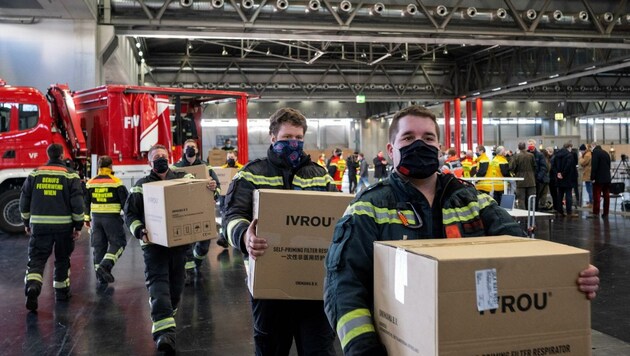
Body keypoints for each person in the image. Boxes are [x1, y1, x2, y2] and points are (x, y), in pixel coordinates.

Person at [322, 105, 600, 355]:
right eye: (408, 138)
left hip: (473, 339)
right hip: (398, 345)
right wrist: (363, 348)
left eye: (428, 138)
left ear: (439, 147)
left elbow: (523, 258)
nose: (420, 144)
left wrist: (568, 276)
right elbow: (343, 285)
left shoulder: (473, 201)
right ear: (391, 149)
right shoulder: (368, 207)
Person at [222, 107, 337, 356]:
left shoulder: (321, 176)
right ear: (273, 138)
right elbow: (231, 217)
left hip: (314, 284)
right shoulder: (251, 174)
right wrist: (245, 237)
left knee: (320, 349)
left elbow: (336, 218)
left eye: (298, 138)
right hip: (269, 285)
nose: (293, 144)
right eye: (287, 138)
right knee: (270, 348)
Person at [124, 144, 218, 352]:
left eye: (163, 156)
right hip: (153, 246)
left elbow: (202, 193)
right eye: (156, 157)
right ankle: (164, 334)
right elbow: (130, 214)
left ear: (170, 158)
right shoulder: (141, 186)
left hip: (178, 244)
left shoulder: (183, 178)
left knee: (176, 287)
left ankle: (166, 312)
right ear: (149, 163)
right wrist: (140, 230)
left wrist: (210, 187)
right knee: (158, 285)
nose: (160, 160)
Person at [19, 143, 84, 311]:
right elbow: (77, 203)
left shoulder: (35, 174)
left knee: (37, 259)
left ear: (48, 156)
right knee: (62, 259)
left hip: (40, 227)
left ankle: (33, 286)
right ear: (62, 156)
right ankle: (62, 293)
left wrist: (26, 222)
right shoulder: (70, 176)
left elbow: (24, 200)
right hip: (64, 227)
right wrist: (78, 226)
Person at [173, 139, 221, 284]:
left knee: (204, 244)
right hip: (184, 210)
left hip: (203, 209)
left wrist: (214, 191)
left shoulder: (206, 167)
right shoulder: (176, 167)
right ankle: (187, 272)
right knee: (185, 242)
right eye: (187, 147)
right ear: (183, 149)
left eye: (192, 147)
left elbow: (217, 185)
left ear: (197, 149)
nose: (190, 149)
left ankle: (198, 260)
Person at [84, 155, 129, 287]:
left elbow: (86, 202)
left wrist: (87, 219)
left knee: (99, 247)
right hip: (112, 219)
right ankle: (105, 266)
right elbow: (125, 203)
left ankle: (100, 277)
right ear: (110, 166)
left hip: (96, 219)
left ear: (99, 167)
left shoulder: (90, 183)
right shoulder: (116, 182)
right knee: (119, 243)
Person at [553, 142, 578, 217]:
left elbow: (553, 165)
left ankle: (560, 210)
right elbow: (568, 166)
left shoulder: (557, 155)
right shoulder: (569, 155)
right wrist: (563, 174)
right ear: (569, 147)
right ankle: (569, 212)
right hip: (568, 178)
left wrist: (558, 173)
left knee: (560, 194)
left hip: (559, 178)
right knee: (568, 195)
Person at [509, 142, 537, 210]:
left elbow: (512, 167)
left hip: (520, 180)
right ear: (525, 147)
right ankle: (532, 212)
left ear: (518, 147)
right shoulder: (531, 155)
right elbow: (535, 166)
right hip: (531, 180)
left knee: (521, 199)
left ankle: (523, 214)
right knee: (531, 198)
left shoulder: (516, 156)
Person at [590, 141, 611, 218]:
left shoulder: (595, 153)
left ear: (594, 146)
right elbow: (609, 166)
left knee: (597, 196)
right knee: (606, 196)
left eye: (591, 147)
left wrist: (592, 178)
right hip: (607, 178)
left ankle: (596, 212)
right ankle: (606, 213)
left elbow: (594, 166)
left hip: (598, 179)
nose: (591, 149)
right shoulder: (606, 153)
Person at [527, 139, 549, 210]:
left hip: (537, 179)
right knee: (527, 196)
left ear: (534, 145)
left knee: (536, 196)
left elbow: (544, 167)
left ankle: (535, 210)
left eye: (532, 144)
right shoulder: (526, 155)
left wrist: (539, 177)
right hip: (528, 179)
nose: (530, 146)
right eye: (529, 144)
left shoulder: (539, 155)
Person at [579, 144, 593, 208]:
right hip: (589, 173)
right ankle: (591, 201)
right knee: (590, 189)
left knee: (589, 189)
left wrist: (580, 157)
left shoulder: (587, 155)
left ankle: (591, 203)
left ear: (583, 150)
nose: (581, 152)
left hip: (588, 174)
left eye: (581, 151)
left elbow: (583, 163)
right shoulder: (589, 153)